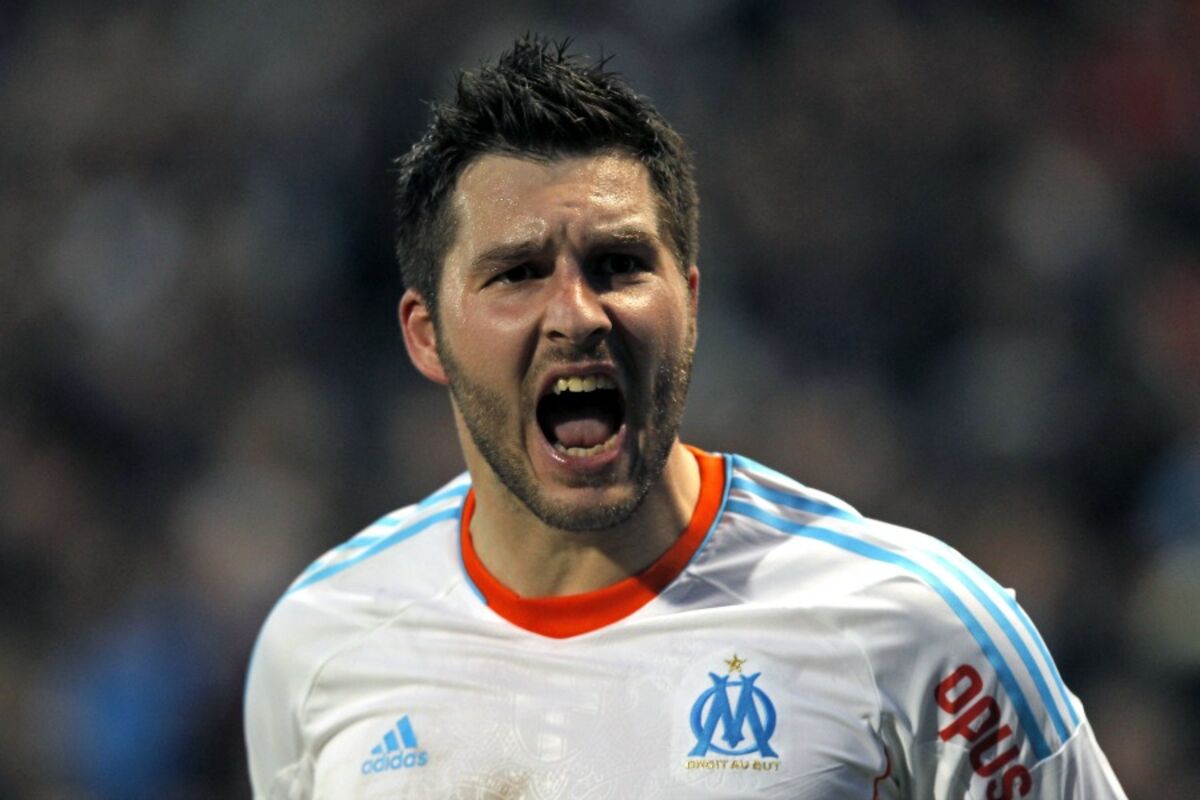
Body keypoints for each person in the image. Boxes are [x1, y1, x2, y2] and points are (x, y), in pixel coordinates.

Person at [244, 36, 1127, 799]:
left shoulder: (921, 633)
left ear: (691, 305)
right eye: (517, 273)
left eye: (619, 263)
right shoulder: (321, 642)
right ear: (426, 335)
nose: (578, 313)